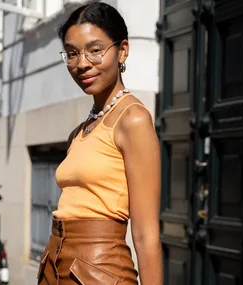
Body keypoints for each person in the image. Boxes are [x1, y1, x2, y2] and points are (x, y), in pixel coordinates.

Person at [37, 3, 162, 285]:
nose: (81, 63)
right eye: (71, 53)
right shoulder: (80, 132)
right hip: (55, 265)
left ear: (123, 51)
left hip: (99, 272)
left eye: (95, 50)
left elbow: (146, 233)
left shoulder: (133, 119)